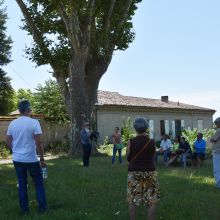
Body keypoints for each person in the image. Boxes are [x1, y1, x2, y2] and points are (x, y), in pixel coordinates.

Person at [5, 100, 47, 214]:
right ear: (29, 110)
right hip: (31, 159)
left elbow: (7, 141)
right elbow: (39, 143)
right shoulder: (34, 123)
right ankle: (42, 209)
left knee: (22, 184)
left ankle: (24, 211)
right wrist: (42, 159)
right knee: (38, 183)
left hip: (17, 159)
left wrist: (15, 150)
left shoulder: (13, 123)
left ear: (19, 110)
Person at [126, 118, 160, 220]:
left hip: (134, 172)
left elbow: (128, 157)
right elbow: (153, 156)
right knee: (151, 201)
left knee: (133, 200)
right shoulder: (151, 142)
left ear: (135, 128)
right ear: (146, 128)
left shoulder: (130, 142)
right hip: (150, 172)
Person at [210, 117, 220, 189]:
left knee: (217, 168)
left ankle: (218, 184)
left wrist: (211, 138)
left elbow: (213, 139)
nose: (215, 125)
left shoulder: (219, 130)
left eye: (216, 123)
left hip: (217, 151)